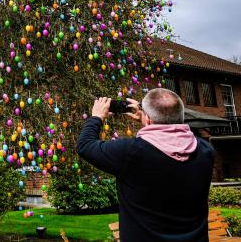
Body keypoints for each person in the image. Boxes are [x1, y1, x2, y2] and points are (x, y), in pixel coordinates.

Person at [76, 88, 215, 242]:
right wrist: (148, 118)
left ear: (148, 119)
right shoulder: (205, 151)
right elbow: (174, 136)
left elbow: (85, 145)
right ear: (181, 116)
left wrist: (97, 117)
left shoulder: (130, 153)